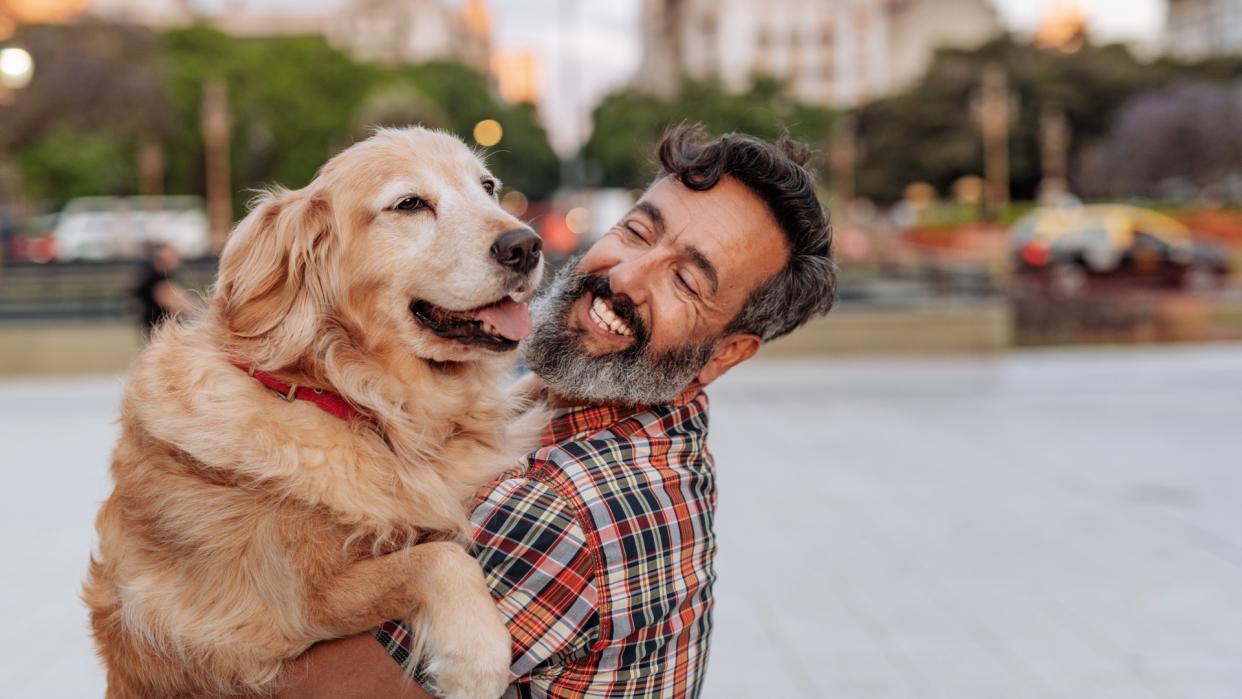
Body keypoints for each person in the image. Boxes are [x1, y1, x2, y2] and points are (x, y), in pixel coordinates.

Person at [276, 125, 836, 698]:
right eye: (638, 232)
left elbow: (293, 687)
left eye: (686, 281)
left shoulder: (560, 506)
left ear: (725, 353)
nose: (624, 276)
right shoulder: (645, 437)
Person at [132, 242, 198, 338]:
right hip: (160, 329)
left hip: (159, 328)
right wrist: (198, 311)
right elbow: (172, 300)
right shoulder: (156, 277)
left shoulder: (164, 275)